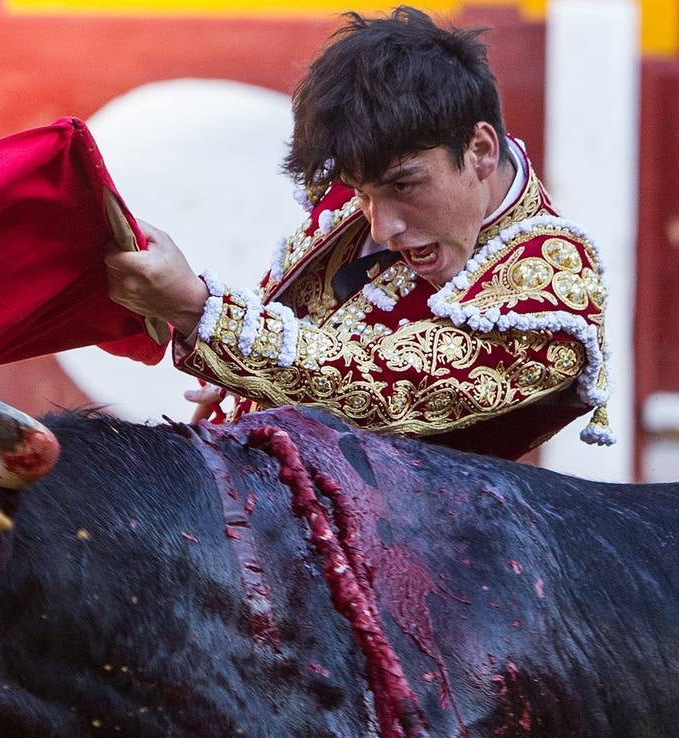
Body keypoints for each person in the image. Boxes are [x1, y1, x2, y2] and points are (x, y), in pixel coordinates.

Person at [105, 6, 612, 460]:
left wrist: (199, 309)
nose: (383, 225)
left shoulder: (553, 284)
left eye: (404, 185)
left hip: (405, 553)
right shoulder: (368, 178)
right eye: (361, 193)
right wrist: (240, 385)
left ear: (480, 150)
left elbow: (381, 392)